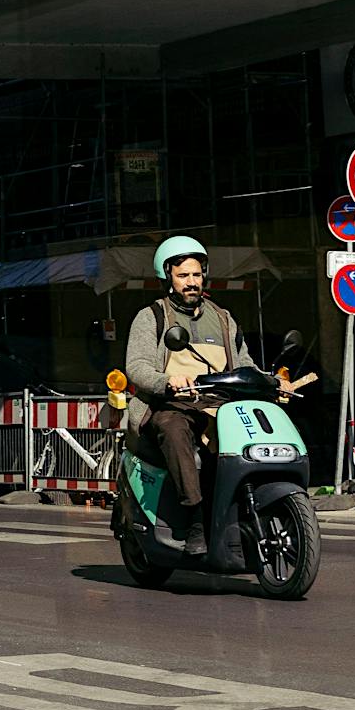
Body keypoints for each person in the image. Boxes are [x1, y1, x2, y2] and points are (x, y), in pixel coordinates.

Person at [123, 235, 254, 557]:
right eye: (183, 276)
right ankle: (194, 519)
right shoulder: (151, 316)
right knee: (174, 430)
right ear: (168, 277)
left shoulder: (223, 317)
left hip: (219, 405)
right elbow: (136, 367)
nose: (191, 282)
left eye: (196, 275)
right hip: (170, 405)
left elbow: (245, 362)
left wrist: (266, 379)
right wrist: (168, 381)